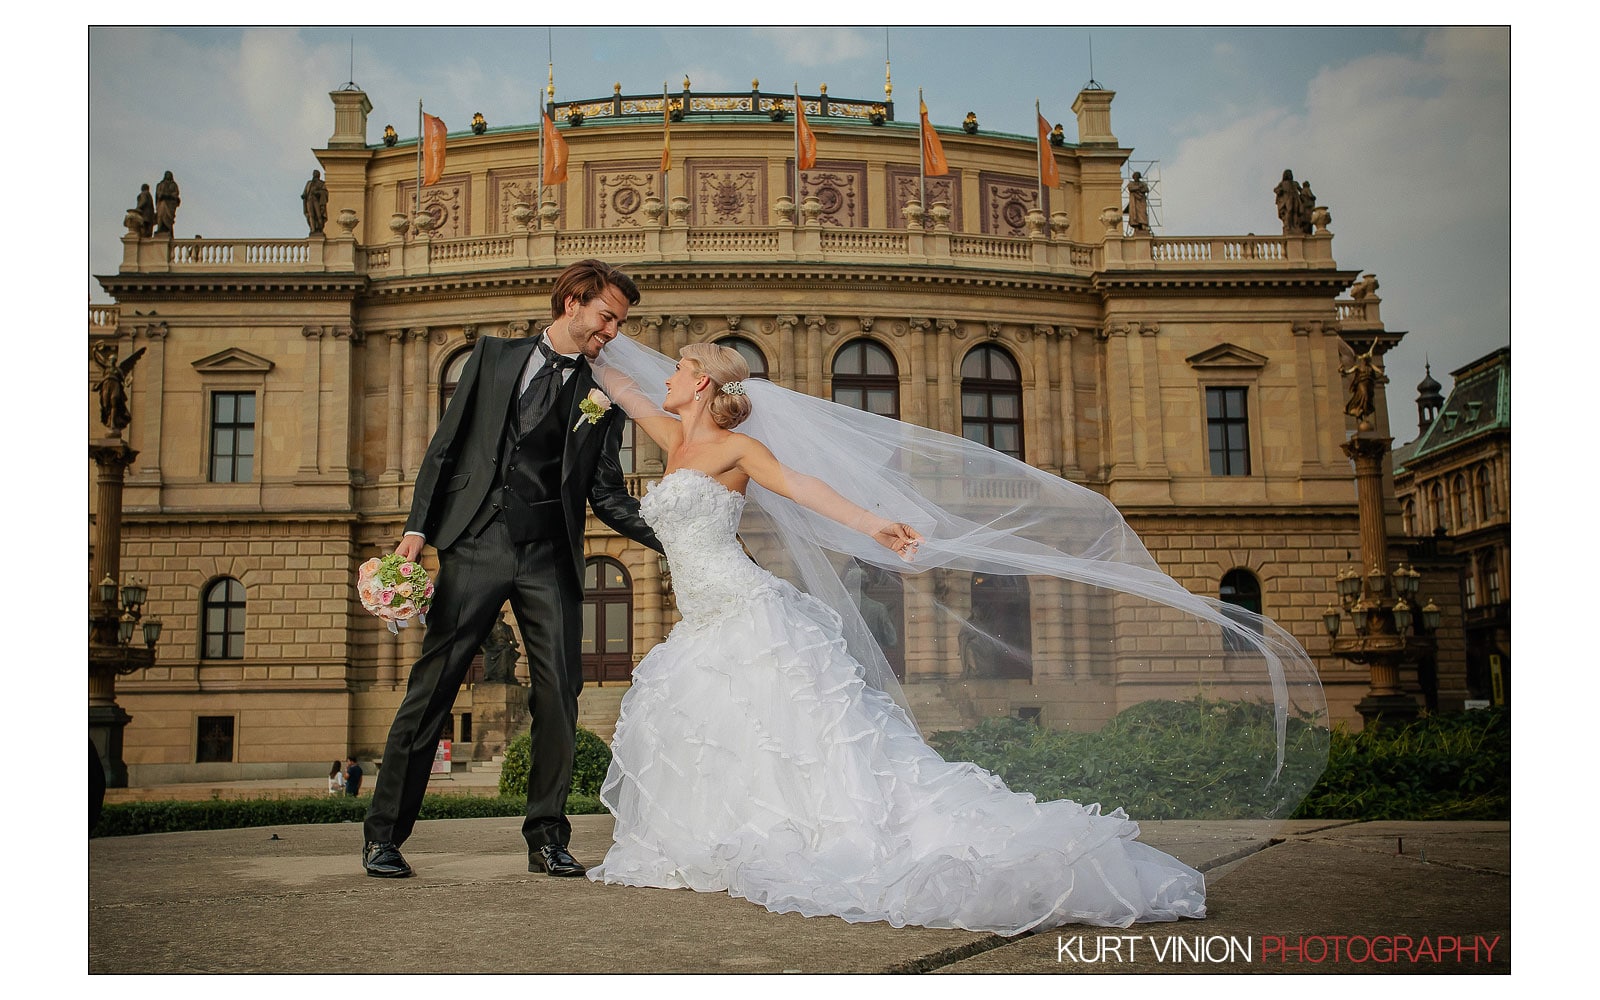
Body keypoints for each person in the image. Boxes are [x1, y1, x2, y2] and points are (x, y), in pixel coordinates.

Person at [580, 340, 1297, 935]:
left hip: (742, 610)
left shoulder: (737, 450)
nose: (664, 376)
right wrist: (586, 341)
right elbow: (622, 384)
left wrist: (874, 525)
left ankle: (830, 838)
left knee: (797, 741)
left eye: (676, 366)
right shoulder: (673, 439)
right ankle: (721, 838)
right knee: (725, 736)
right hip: (703, 621)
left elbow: (804, 487)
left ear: (701, 381)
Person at [361, 259, 662, 879]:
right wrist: (416, 531)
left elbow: (604, 492)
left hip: (549, 553)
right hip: (474, 542)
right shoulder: (493, 356)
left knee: (559, 692)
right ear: (574, 301)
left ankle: (547, 838)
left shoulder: (602, 392)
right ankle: (384, 835)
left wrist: (675, 538)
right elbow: (445, 446)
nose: (610, 334)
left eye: (618, 325)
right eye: (606, 319)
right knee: (433, 687)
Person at [1273, 168, 1301, 236]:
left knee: (1295, 211)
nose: (1290, 175)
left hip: (1295, 198)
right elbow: (1276, 189)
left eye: (1290, 174)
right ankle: (1288, 226)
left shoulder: (1295, 183)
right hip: (1287, 198)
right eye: (1289, 174)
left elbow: (1301, 190)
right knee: (1289, 210)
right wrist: (1280, 191)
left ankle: (1295, 226)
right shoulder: (1282, 183)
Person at [302, 169, 329, 235]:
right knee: (311, 215)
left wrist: (318, 192)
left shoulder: (321, 183)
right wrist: (304, 196)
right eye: (314, 173)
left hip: (316, 201)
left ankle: (320, 228)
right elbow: (305, 192)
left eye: (316, 173)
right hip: (309, 201)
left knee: (319, 215)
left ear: (318, 175)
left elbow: (325, 192)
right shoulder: (309, 183)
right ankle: (313, 230)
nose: (315, 175)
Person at [154, 171, 180, 235]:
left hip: (170, 203)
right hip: (162, 202)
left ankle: (168, 229)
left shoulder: (173, 184)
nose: (168, 176)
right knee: (161, 214)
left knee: (168, 216)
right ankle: (160, 228)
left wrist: (168, 195)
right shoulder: (160, 184)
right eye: (167, 174)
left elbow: (176, 193)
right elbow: (158, 193)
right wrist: (161, 195)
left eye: (169, 174)